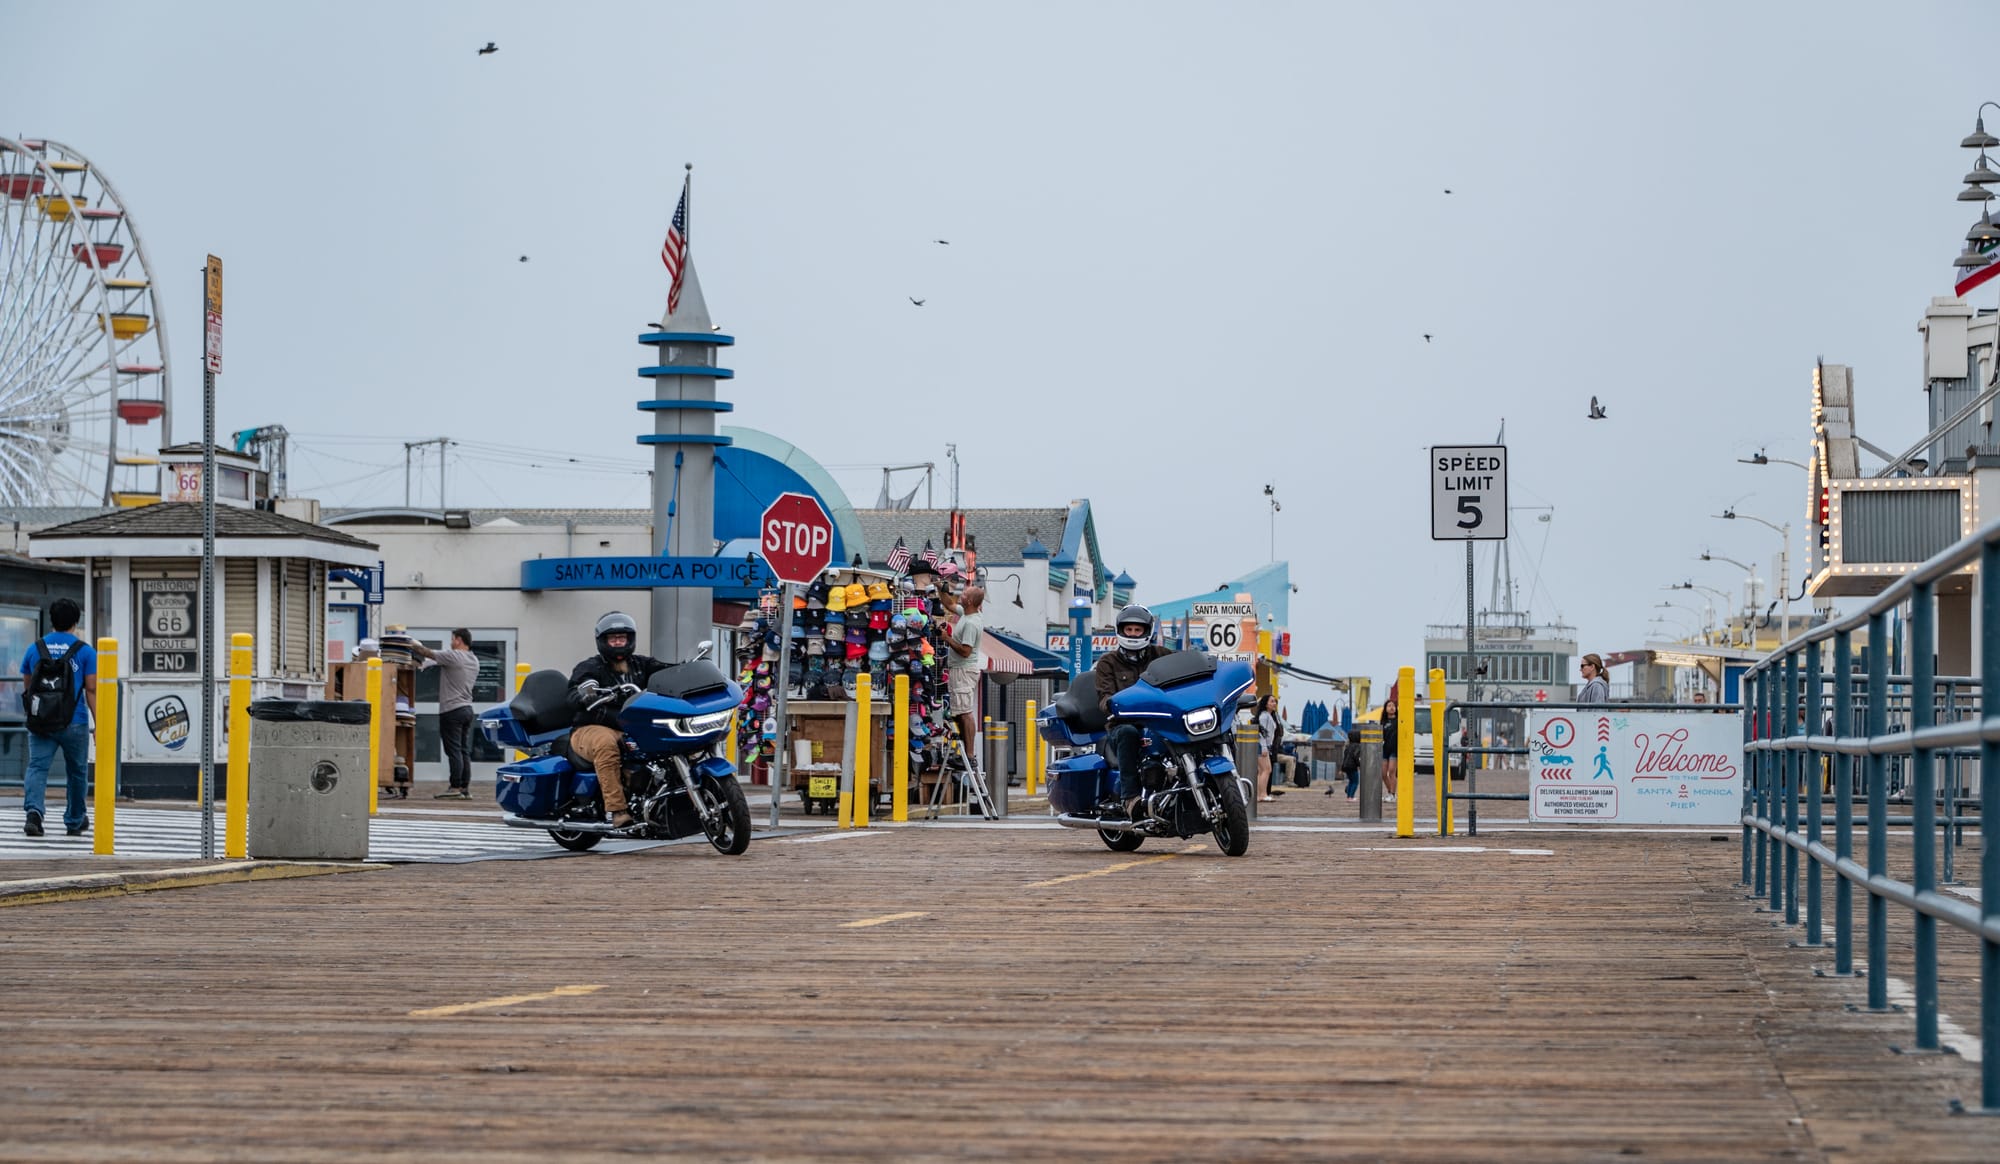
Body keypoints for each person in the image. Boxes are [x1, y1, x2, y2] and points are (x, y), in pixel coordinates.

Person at [567, 612, 669, 828]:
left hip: (630, 726)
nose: (618, 642)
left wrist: (689, 670)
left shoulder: (641, 664)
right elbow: (575, 691)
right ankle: (617, 810)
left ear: (630, 639)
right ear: (603, 641)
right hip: (591, 727)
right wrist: (586, 694)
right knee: (606, 744)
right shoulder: (590, 666)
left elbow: (667, 672)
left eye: (622, 638)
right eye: (613, 639)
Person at [18, 598, 96, 837]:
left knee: (37, 767)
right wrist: (100, 724)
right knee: (77, 771)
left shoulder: (35, 648)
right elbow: (92, 689)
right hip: (75, 720)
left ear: (51, 620)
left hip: (41, 720)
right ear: (75, 622)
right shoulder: (85, 651)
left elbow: (28, 686)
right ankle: (74, 819)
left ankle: (34, 813)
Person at [1091, 604, 1172, 816]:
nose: (1133, 634)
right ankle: (1130, 798)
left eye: (1138, 629)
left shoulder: (1162, 655)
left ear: (1147, 631)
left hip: (1159, 721)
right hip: (1122, 724)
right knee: (1128, 733)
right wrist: (1113, 704)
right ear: (1121, 630)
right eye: (1129, 629)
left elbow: (1184, 672)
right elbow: (1104, 695)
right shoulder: (1108, 662)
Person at [409, 628, 481, 799]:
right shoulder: (473, 659)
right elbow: (432, 661)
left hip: (452, 710)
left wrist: (408, 643)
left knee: (453, 751)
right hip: (467, 709)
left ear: (459, 640)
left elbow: (427, 653)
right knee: (463, 750)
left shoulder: (455, 656)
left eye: (452, 639)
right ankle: (464, 788)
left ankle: (454, 787)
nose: (451, 642)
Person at [942, 585, 986, 771]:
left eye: (965, 594)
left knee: (965, 711)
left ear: (970, 601)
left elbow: (966, 651)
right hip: (959, 670)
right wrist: (941, 588)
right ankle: (965, 752)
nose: (962, 594)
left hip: (964, 670)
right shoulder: (966, 614)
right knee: (960, 710)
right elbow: (949, 604)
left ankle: (969, 755)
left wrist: (947, 638)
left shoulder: (971, 624)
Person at [1255, 694, 1285, 802]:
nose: (1274, 703)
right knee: (1266, 769)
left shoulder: (1269, 715)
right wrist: (1264, 747)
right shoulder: (1264, 716)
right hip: (1262, 746)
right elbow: (1261, 733)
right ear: (1266, 703)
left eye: (1275, 701)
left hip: (1265, 746)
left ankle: (1260, 794)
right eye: (1271, 701)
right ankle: (1262, 794)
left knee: (1262, 770)